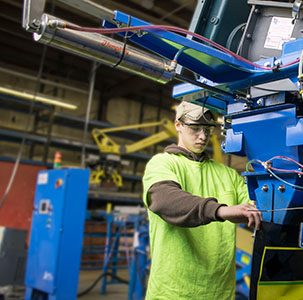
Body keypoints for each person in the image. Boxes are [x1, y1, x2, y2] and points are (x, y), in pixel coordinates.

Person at [142, 101, 262, 300]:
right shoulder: (163, 163)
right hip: (173, 292)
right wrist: (221, 210)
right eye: (195, 128)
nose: (203, 136)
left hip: (219, 292)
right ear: (178, 125)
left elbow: (257, 206)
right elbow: (165, 200)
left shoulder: (227, 174)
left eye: (207, 130)